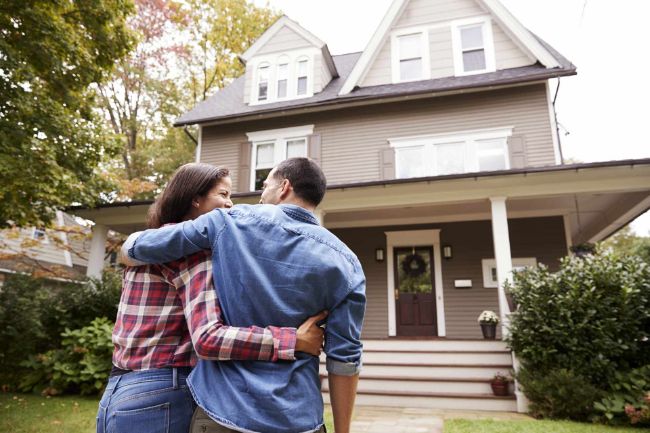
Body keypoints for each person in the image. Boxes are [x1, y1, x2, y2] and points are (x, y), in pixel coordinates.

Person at [123, 157, 366, 433]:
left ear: (284, 187)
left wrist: (127, 248)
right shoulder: (347, 263)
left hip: (223, 412)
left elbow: (140, 247)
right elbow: (344, 358)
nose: (261, 196)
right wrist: (342, 430)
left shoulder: (228, 222)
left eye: (265, 185)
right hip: (297, 417)